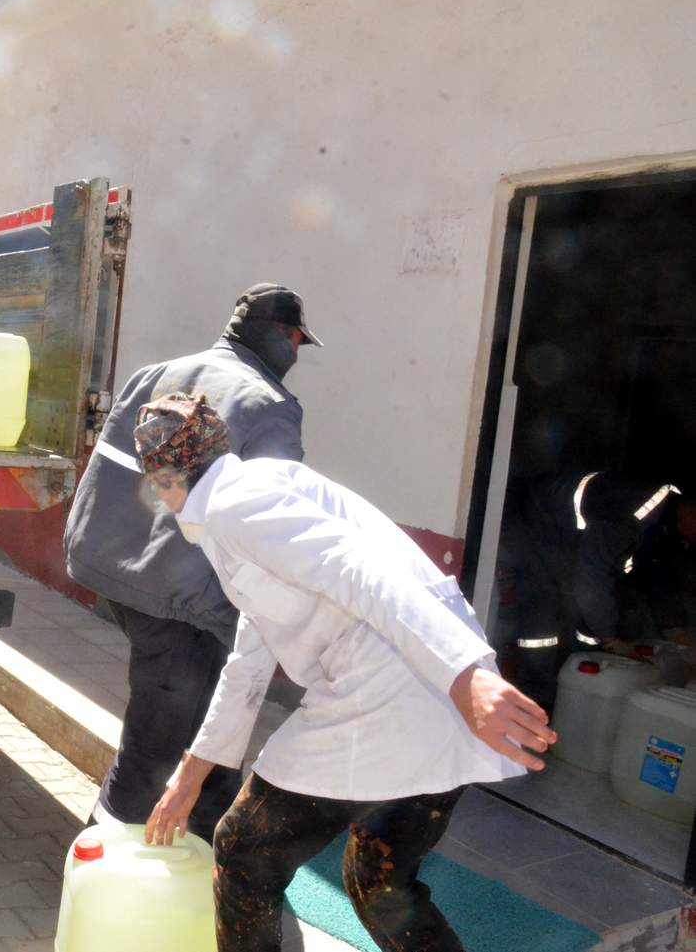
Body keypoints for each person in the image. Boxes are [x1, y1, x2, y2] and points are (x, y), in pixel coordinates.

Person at [136, 393, 553, 952]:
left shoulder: (234, 507)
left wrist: (462, 674)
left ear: (164, 476)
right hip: (422, 678)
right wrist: (192, 774)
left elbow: (357, 570)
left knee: (241, 848)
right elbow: (252, 652)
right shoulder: (255, 488)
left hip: (394, 682)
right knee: (380, 882)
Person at [62, 284, 320, 840]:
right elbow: (267, 525)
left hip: (114, 574)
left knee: (208, 734)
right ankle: (92, 861)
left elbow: (105, 477)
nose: (296, 355)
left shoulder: (155, 374)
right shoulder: (269, 407)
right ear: (282, 336)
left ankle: (212, 849)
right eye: (297, 341)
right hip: (181, 605)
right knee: (151, 756)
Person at [501, 470, 695, 707]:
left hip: (562, 536)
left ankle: (572, 695)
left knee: (586, 626)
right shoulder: (632, 514)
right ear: (689, 508)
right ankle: (536, 702)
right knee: (541, 622)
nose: (691, 539)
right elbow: (591, 582)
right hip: (536, 520)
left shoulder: (662, 522)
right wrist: (611, 637)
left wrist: (676, 632)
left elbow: (657, 578)